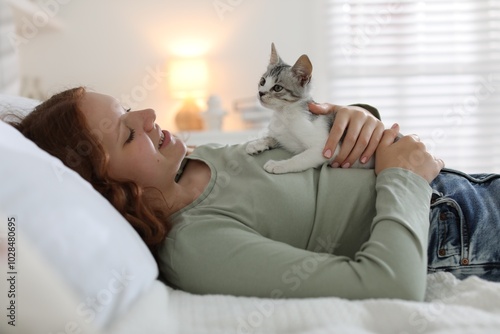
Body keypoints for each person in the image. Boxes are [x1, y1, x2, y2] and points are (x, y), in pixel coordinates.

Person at [6, 87, 500, 302]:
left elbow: (308, 172)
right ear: (110, 192)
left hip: (463, 189)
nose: (149, 116)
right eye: (127, 133)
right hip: (458, 233)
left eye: (131, 107)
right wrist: (404, 178)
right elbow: (390, 287)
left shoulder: (196, 159)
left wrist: (353, 119)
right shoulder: (198, 246)